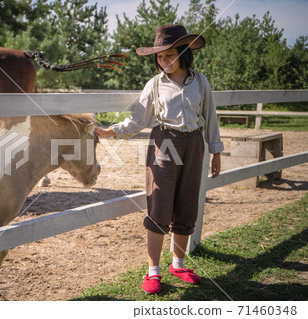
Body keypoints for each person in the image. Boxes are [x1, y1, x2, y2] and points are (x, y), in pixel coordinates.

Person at [94, 24, 224, 294]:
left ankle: (178, 263)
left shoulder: (200, 81)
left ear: (184, 53)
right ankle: (153, 270)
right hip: (165, 142)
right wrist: (111, 131)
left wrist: (216, 151)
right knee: (159, 203)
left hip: (194, 144)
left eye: (170, 55)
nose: (164, 61)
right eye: (160, 57)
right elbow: (137, 118)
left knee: (187, 203)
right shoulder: (154, 84)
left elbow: (210, 117)